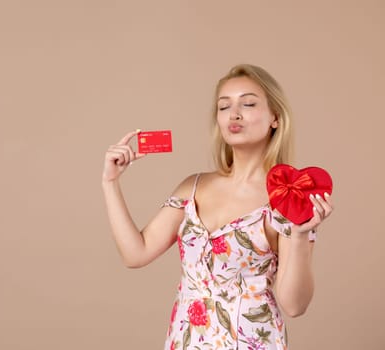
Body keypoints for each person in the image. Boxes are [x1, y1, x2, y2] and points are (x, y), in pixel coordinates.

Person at [101, 64, 333, 350]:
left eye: (248, 103)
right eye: (224, 106)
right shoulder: (192, 187)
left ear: (275, 117)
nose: (234, 114)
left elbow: (294, 305)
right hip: (185, 341)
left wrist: (298, 236)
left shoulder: (287, 196)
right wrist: (110, 183)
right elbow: (136, 253)